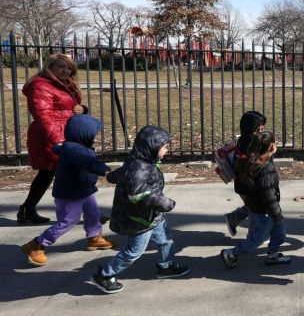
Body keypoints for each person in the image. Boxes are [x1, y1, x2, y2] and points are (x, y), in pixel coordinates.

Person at [91, 125, 189, 294]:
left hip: (153, 215)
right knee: (134, 251)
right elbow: (139, 196)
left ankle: (165, 266)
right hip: (140, 219)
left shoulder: (142, 162)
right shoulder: (139, 168)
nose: (167, 151)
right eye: (164, 147)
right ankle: (104, 274)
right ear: (151, 147)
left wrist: (114, 176)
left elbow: (124, 174)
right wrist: (164, 202)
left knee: (165, 239)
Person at [20, 114, 115, 266]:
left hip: (84, 188)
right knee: (68, 221)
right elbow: (88, 163)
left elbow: (61, 149)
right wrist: (105, 170)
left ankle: (94, 238)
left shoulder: (74, 146)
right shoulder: (74, 149)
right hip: (70, 192)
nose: (95, 137)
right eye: (93, 133)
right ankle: (37, 244)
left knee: (93, 214)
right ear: (81, 133)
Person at [18, 53, 89, 224]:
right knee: (72, 174)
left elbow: (68, 108)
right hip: (51, 136)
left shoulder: (61, 83)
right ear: (50, 67)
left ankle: (27, 210)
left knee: (47, 174)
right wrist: (58, 140)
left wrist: (82, 109)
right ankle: (87, 213)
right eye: (61, 66)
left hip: (65, 133)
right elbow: (44, 116)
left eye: (69, 67)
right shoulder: (41, 86)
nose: (66, 70)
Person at [220, 131, 292, 268]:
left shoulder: (251, 161)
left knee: (280, 233)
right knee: (257, 239)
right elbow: (269, 195)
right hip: (265, 210)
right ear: (272, 147)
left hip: (262, 207)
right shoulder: (266, 168)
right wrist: (276, 213)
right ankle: (231, 253)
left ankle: (273, 255)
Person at [223, 111, 267, 236]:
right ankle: (254, 237)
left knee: (255, 205)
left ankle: (234, 218)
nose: (261, 133)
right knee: (255, 210)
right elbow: (252, 164)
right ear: (249, 129)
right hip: (247, 185)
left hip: (252, 184)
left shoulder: (250, 141)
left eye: (263, 129)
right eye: (258, 130)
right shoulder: (247, 144)